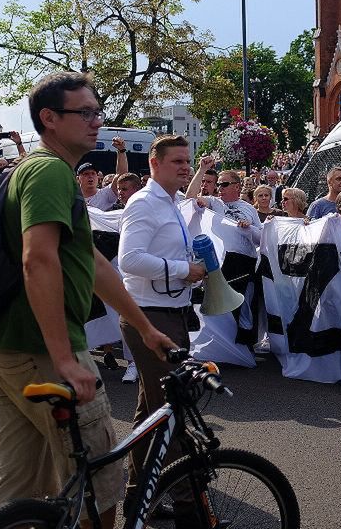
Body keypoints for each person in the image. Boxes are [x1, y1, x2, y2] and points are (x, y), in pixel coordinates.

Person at [0, 72, 174, 524]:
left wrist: (144, 327)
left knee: (19, 486)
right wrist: (64, 358)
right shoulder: (47, 171)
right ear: (48, 118)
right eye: (83, 112)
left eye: (96, 111)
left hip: (3, 343)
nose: (96, 121)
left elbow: (94, 264)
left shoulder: (43, 171)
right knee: (98, 485)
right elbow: (37, 261)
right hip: (39, 350)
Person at [117, 134, 206, 518]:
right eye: (177, 162)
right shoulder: (143, 203)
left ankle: (140, 498)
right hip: (149, 316)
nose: (186, 167)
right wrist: (184, 270)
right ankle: (189, 502)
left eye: (188, 161)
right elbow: (129, 259)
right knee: (171, 410)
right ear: (155, 164)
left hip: (169, 312)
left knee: (150, 412)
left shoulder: (171, 203)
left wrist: (192, 268)